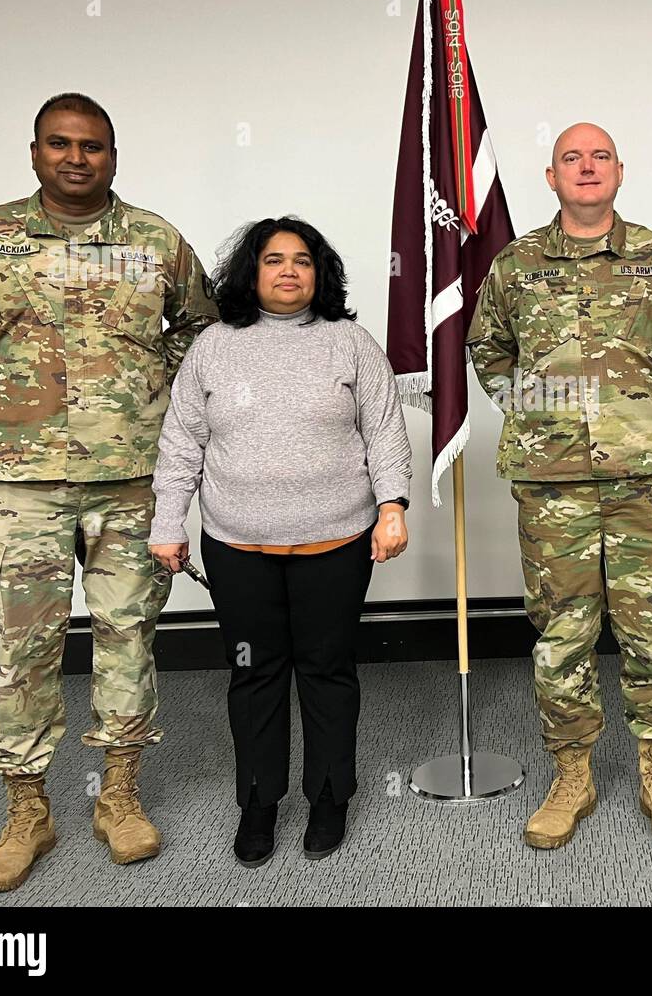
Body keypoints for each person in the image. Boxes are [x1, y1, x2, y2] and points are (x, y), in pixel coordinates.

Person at [0, 92, 218, 892]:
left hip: (130, 477)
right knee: (21, 650)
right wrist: (2, 390)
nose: (77, 158)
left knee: (128, 635)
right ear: (35, 153)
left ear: (113, 156)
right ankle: (28, 811)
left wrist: (152, 396)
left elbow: (201, 331)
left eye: (94, 146)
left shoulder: (154, 241)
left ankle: (119, 797)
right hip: (22, 482)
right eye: (61, 144)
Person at [467, 122, 652, 849]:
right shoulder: (516, 265)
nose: (586, 167)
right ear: (550, 178)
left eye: (599, 156)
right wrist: (537, 412)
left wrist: (648, 407)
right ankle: (572, 772)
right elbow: (488, 348)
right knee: (562, 632)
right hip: (554, 486)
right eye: (571, 158)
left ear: (619, 172)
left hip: (646, 483)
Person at [149, 216, 411, 867]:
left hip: (337, 545)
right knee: (253, 673)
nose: (289, 270)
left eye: (302, 259)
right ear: (251, 272)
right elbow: (182, 440)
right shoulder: (212, 347)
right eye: (273, 259)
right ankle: (259, 805)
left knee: (327, 672)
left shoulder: (350, 343)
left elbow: (384, 431)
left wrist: (393, 507)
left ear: (319, 272)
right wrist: (166, 522)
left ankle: (329, 798)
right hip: (239, 551)